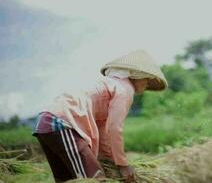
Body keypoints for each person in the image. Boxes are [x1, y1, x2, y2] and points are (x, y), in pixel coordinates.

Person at [32, 50, 168, 183]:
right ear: (136, 75)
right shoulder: (125, 89)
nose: (147, 84)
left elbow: (103, 130)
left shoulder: (108, 84)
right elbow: (114, 128)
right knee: (95, 179)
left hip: (46, 123)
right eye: (146, 79)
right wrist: (123, 164)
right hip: (61, 123)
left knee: (67, 179)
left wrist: (110, 160)